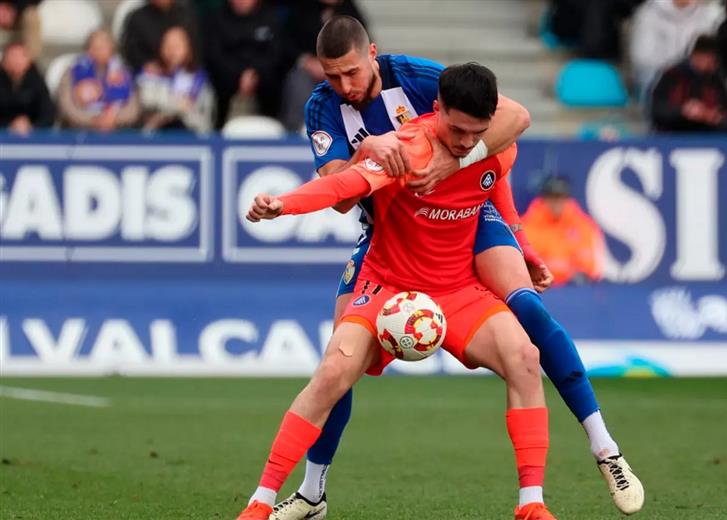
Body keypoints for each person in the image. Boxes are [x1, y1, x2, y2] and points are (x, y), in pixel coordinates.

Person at [270, 16, 643, 520]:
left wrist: (509, 224)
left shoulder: (421, 79)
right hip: (390, 229)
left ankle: (605, 447)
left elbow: (506, 123)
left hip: (470, 211)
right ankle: (313, 493)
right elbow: (339, 193)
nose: (344, 86)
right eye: (333, 76)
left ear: (373, 54)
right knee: (338, 363)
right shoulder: (323, 105)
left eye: (352, 73)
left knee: (528, 315)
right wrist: (365, 147)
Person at [237, 63, 558, 520]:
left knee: (525, 359)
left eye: (476, 133)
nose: (467, 142)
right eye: (458, 129)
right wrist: (282, 204)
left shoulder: (494, 148)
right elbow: (342, 186)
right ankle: (261, 501)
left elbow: (504, 172)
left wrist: (521, 245)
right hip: (386, 284)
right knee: (332, 372)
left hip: (457, 289)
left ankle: (531, 505)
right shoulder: (404, 149)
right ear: (436, 108)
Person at [279, 0, 366, 132]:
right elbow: (287, 44)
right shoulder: (302, 10)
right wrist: (306, 61)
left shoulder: (350, 11)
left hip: (342, 68)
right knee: (298, 81)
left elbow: (362, 43)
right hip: (308, 68)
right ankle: (297, 130)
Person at [203, 0, 284, 128]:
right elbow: (214, 57)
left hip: (265, 85)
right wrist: (239, 77)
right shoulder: (216, 19)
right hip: (226, 87)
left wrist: (254, 74)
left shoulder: (270, 18)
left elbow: (277, 55)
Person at [629, 0, 724, 98]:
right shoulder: (649, 12)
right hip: (659, 75)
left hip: (697, 75)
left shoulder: (712, 14)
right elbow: (642, 57)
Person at [520, 176, 605, 287]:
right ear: (544, 199)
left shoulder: (584, 226)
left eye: (561, 197)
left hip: (575, 292)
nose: (556, 203)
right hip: (540, 290)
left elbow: (593, 267)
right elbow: (523, 268)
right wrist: (565, 270)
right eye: (552, 197)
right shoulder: (525, 227)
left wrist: (561, 272)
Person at [57, 29, 139, 132]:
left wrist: (115, 119)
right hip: (80, 132)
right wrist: (93, 120)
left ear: (112, 48)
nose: (96, 50)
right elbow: (67, 107)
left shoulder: (124, 74)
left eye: (102, 47)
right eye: (93, 47)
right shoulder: (71, 72)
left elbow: (133, 109)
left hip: (116, 131)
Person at [136, 25, 214, 133]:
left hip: (191, 135)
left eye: (177, 46)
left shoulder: (198, 77)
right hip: (156, 135)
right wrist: (177, 105)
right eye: (168, 45)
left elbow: (197, 110)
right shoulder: (150, 73)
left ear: (188, 48)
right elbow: (147, 101)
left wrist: (168, 106)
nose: (171, 51)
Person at [650, 35, 727, 133]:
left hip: (707, 138)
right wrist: (683, 111)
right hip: (673, 136)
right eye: (712, 60)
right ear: (697, 56)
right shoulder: (672, 75)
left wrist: (711, 116)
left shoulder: (717, 80)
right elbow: (656, 110)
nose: (713, 65)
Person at [120, 0, 199, 73]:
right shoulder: (136, 18)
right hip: (150, 77)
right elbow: (129, 51)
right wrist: (146, 65)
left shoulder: (187, 13)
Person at [0, 39, 54, 135]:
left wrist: (32, 127)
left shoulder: (37, 81)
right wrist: (9, 126)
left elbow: (48, 113)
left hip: (34, 137)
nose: (17, 61)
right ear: (3, 61)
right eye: (13, 56)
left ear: (29, 60)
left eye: (21, 56)